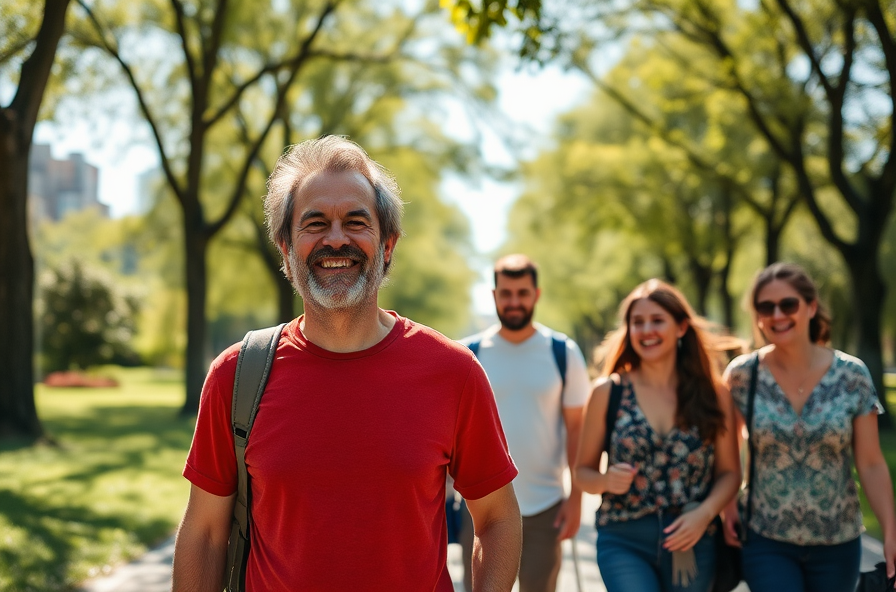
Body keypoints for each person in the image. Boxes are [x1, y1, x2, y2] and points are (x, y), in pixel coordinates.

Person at [171, 136, 522, 592]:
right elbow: (205, 533)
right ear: (284, 247)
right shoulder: (235, 378)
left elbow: (497, 517)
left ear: (388, 243)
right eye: (314, 223)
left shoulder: (454, 373)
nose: (336, 238)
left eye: (356, 222)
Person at [721, 262, 896, 592]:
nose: (777, 314)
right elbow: (726, 456)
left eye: (788, 304)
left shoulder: (852, 375)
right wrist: (727, 508)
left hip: (838, 539)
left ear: (811, 307)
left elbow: (871, 462)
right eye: (765, 307)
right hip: (765, 536)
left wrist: (891, 531)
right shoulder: (742, 376)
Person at [574, 279, 740, 592]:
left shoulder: (714, 394)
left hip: (693, 540)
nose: (646, 330)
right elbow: (582, 473)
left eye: (657, 320)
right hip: (624, 538)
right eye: (637, 322)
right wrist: (605, 481)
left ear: (681, 328)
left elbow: (730, 473)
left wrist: (704, 515)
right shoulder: (608, 392)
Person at [453, 254, 591, 592]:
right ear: (494, 295)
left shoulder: (563, 351)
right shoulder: (468, 356)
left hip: (545, 507)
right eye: (506, 293)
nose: (514, 302)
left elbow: (577, 429)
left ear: (536, 295)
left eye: (522, 293)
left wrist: (576, 500)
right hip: (479, 507)